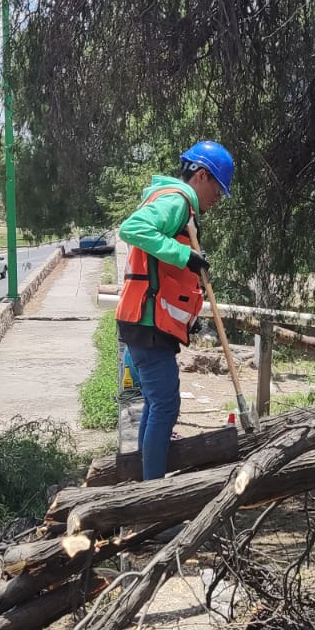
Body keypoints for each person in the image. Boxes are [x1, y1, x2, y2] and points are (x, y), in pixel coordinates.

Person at [116, 140, 236, 480]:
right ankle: (153, 499)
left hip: (148, 325)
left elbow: (164, 275)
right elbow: (133, 229)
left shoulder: (178, 204)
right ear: (201, 176)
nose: (218, 198)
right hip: (146, 325)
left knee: (157, 406)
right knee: (166, 407)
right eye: (218, 188)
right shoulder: (177, 200)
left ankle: (141, 488)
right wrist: (187, 256)